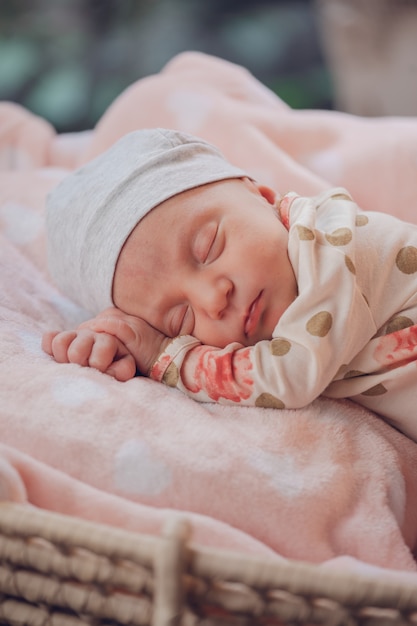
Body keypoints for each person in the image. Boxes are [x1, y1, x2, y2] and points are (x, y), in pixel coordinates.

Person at [43, 128, 417, 441]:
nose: (212, 299)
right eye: (180, 319)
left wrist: (164, 354)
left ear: (264, 196)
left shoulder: (331, 246)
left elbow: (291, 378)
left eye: (209, 247)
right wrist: (123, 342)